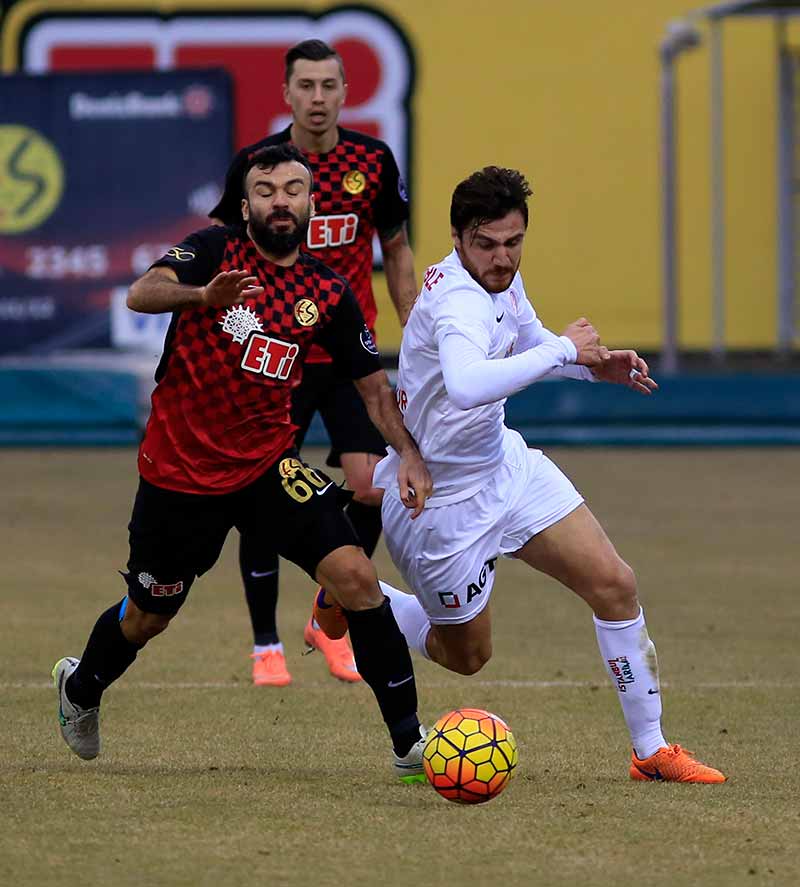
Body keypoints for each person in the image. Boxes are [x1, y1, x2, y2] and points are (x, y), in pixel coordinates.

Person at [315, 166, 726, 784]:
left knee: (614, 584)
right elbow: (467, 382)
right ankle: (356, 598)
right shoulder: (456, 302)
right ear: (457, 238)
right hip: (437, 502)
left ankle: (652, 750)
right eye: (486, 244)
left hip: (505, 467)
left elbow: (526, 340)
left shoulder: (501, 279)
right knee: (468, 658)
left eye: (513, 242)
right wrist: (563, 348)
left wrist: (593, 367)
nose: (502, 257)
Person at [52, 144, 432, 783]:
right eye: (266, 189)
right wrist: (202, 296)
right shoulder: (212, 249)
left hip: (267, 467)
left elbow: (372, 388)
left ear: (312, 200)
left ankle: (409, 745)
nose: (280, 200)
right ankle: (82, 686)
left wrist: (410, 455)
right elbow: (143, 294)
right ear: (246, 202)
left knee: (357, 577)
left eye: (293, 188)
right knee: (148, 616)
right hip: (179, 475)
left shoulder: (328, 292)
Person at [210, 39, 418, 688]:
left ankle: (327, 615)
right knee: (260, 490)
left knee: (373, 486)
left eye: (330, 85)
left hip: (351, 355)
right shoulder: (259, 165)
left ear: (346, 91)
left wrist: (420, 337)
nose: (318, 99)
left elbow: (399, 252)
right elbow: (225, 254)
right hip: (279, 358)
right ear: (287, 94)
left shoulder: (372, 162)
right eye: (306, 86)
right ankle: (264, 644)